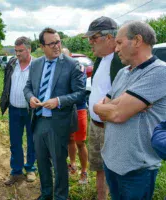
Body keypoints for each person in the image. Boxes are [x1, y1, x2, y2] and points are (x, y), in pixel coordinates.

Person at [94, 21, 166, 200]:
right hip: (112, 161)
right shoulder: (123, 72)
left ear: (137, 41)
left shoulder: (159, 72)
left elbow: (117, 115)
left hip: (136, 167)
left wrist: (113, 107)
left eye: (119, 42)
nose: (116, 49)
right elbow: (101, 110)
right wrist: (103, 106)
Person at [23, 28, 85, 200]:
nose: (57, 46)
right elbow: (27, 87)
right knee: (42, 161)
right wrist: (30, 97)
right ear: (42, 46)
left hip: (59, 121)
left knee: (59, 163)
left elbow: (80, 93)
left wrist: (58, 101)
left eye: (58, 41)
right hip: (39, 119)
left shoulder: (71, 64)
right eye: (51, 43)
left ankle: (60, 196)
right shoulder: (35, 64)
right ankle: (46, 193)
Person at [83, 16, 124, 200]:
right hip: (96, 125)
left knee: (115, 171)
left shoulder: (121, 60)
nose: (90, 42)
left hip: (111, 128)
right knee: (99, 168)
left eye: (94, 38)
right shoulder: (100, 59)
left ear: (109, 38)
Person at [0, 36, 36, 186]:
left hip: (31, 110)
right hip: (14, 109)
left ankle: (30, 168)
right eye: (16, 51)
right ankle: (16, 171)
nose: (18, 54)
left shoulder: (37, 65)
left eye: (21, 51)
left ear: (29, 49)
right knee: (15, 141)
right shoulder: (12, 63)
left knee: (31, 141)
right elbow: (6, 82)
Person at [62, 47, 89, 184]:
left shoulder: (79, 68)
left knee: (80, 142)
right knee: (70, 139)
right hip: (65, 110)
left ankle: (84, 172)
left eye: (65, 57)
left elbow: (77, 90)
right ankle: (73, 165)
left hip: (78, 109)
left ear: (70, 56)